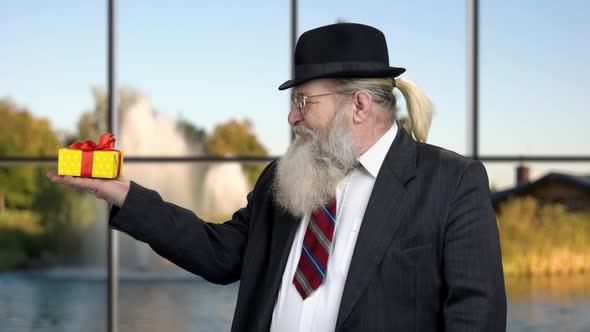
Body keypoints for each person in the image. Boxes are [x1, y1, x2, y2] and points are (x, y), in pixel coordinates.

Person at [48, 23, 507, 331]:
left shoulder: (452, 182)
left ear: (360, 106)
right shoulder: (281, 180)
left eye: (305, 102)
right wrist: (126, 196)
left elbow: (476, 318)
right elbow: (219, 254)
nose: (292, 117)